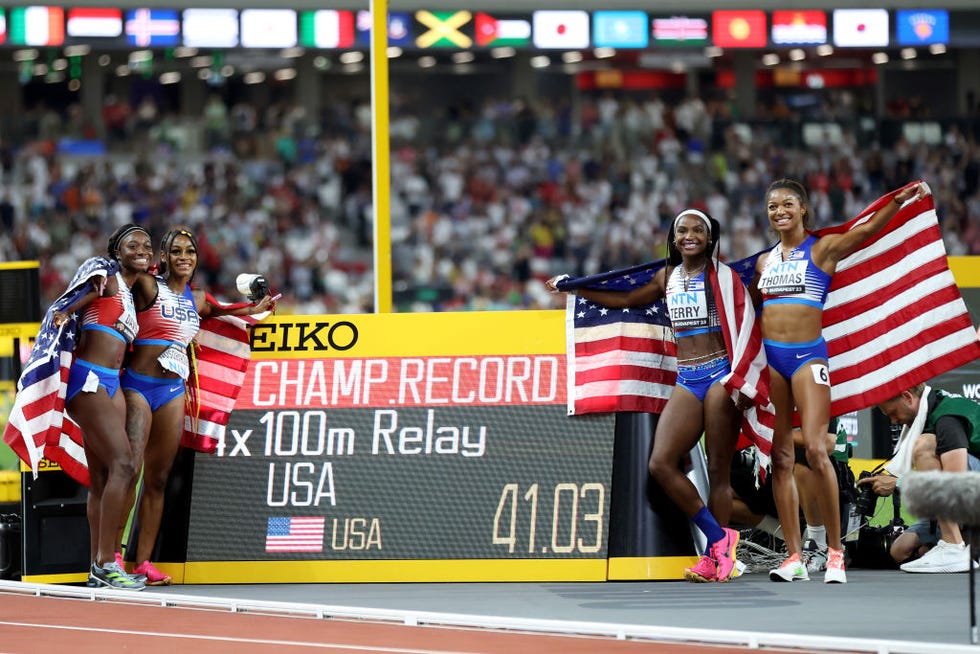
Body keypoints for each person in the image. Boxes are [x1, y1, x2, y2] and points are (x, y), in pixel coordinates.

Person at [547, 209, 766, 583]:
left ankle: (719, 561)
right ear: (673, 237)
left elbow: (748, 321)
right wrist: (575, 287)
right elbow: (627, 299)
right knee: (661, 464)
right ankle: (719, 540)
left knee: (717, 471)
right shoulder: (667, 276)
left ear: (711, 238)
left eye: (698, 230)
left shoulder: (723, 277)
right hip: (688, 378)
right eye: (683, 230)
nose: (690, 235)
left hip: (720, 377)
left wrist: (743, 380)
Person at [751, 178, 926, 584]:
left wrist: (895, 201)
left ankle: (834, 552)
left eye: (788, 204)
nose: (779, 211)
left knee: (815, 448)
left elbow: (864, 233)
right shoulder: (763, 263)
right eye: (773, 205)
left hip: (808, 357)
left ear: (804, 209)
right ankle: (794, 557)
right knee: (781, 456)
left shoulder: (822, 248)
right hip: (773, 361)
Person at [122, 226, 275, 585]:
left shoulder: (200, 299)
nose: (184, 257)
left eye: (190, 251)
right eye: (176, 251)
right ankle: (113, 559)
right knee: (128, 471)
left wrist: (261, 304)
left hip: (172, 391)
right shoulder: (147, 286)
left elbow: (238, 312)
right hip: (137, 387)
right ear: (163, 257)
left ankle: (143, 564)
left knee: (157, 480)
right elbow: (119, 282)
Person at [54, 224, 157, 589]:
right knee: (125, 465)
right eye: (133, 244)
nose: (142, 249)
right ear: (117, 250)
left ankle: (97, 567)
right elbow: (81, 291)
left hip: (111, 383)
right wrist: (67, 311)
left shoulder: (129, 291)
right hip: (90, 380)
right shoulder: (107, 276)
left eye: (147, 245)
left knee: (101, 479)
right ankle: (105, 561)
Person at [858, 383, 980, 572]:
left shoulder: (947, 417)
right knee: (900, 550)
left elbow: (958, 483)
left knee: (925, 445)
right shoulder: (931, 413)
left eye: (892, 413)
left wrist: (899, 483)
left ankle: (953, 546)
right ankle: (962, 545)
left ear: (907, 397)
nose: (893, 421)